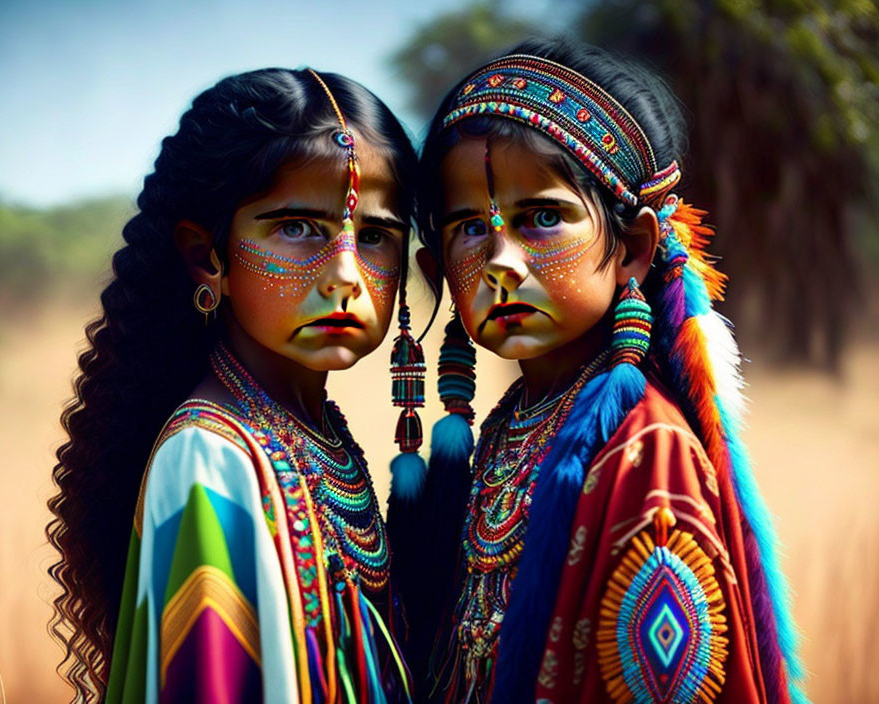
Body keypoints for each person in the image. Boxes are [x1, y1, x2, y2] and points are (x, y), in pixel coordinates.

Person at [388, 40, 807, 703]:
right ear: (437, 268)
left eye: (543, 217)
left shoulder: (648, 454)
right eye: (470, 228)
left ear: (634, 250)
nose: (501, 261)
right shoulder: (513, 422)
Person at [48, 67, 423, 703]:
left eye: (376, 236)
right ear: (208, 255)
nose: (344, 275)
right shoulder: (210, 460)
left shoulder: (314, 430)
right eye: (298, 227)